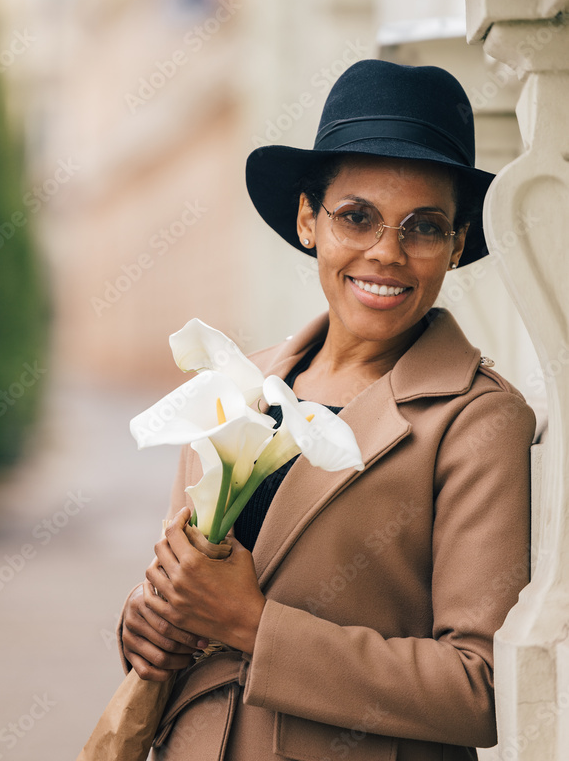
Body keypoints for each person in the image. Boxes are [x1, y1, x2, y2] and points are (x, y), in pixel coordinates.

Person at [118, 59, 535, 761]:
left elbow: (479, 688)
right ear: (309, 219)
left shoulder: (476, 421)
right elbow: (176, 594)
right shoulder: (237, 383)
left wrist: (254, 626)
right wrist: (143, 623)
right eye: (356, 217)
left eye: (423, 227)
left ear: (457, 245)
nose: (386, 253)